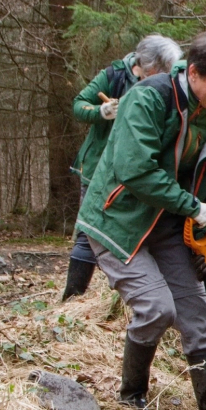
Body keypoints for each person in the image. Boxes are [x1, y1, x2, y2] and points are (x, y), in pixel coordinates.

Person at [75, 27, 206, 410]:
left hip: (168, 224)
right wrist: (192, 207)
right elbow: (135, 170)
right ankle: (132, 395)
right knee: (157, 309)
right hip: (117, 220)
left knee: (198, 321)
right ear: (194, 72)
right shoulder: (149, 97)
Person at [63, 35, 183, 301]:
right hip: (99, 167)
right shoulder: (115, 75)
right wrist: (102, 112)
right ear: (149, 65)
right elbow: (79, 105)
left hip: (132, 169)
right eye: (162, 70)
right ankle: (72, 298)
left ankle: (134, 293)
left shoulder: (165, 87)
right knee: (88, 233)